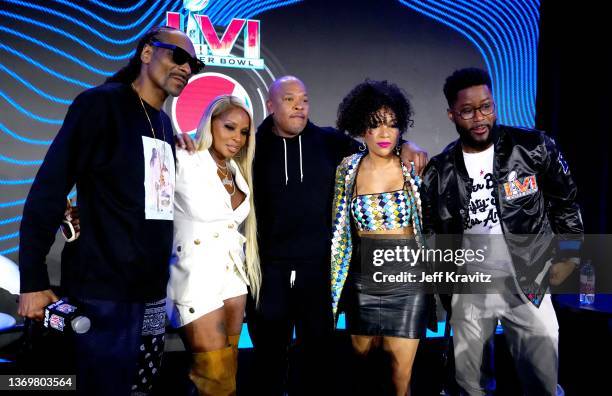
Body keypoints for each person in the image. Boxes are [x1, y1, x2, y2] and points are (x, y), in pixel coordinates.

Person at [18, 25, 203, 396]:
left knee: (140, 388)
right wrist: (34, 281)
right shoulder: (100, 105)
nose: (186, 67)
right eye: (177, 56)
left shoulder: (165, 123)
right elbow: (50, 188)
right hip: (102, 295)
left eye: (193, 64)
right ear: (147, 53)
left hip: (151, 294)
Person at [246, 75, 429, 395]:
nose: (299, 106)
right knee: (270, 361)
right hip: (275, 273)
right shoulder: (254, 145)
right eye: (290, 100)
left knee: (326, 363)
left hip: (326, 275)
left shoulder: (331, 142)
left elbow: (382, 146)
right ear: (270, 104)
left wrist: (407, 144)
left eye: (304, 99)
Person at [421, 68, 583, 395]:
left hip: (528, 276)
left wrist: (569, 256)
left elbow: (566, 202)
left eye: (487, 107)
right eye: (467, 111)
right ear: (452, 114)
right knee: (468, 385)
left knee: (543, 379)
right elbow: (428, 231)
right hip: (470, 283)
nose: (479, 118)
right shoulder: (440, 170)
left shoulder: (534, 146)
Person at [330, 80, 435, 396]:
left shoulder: (411, 167)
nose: (386, 134)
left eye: (392, 125)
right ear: (362, 128)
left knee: (399, 380)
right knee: (362, 378)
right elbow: (339, 231)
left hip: (408, 283)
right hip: (365, 284)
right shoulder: (347, 169)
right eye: (376, 125)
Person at [166, 95, 260, 395]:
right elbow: (140, 196)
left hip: (232, 281)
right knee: (214, 375)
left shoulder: (237, 172)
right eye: (230, 127)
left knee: (226, 374)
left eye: (244, 132)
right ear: (210, 123)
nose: (237, 138)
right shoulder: (185, 157)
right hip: (194, 278)